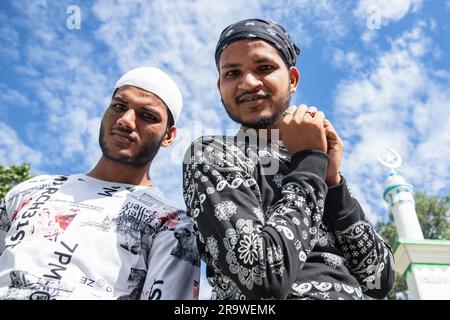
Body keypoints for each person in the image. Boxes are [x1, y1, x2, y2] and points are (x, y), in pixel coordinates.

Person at [182, 19, 394, 300]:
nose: (248, 83)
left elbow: (380, 279)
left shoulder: (314, 165)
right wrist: (310, 162)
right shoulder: (212, 154)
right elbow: (262, 278)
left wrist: (333, 183)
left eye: (264, 68)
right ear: (220, 86)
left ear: (292, 79)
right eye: (232, 73)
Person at [0, 67, 200, 300]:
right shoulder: (31, 191)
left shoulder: (172, 225)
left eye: (148, 116)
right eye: (119, 107)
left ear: (168, 136)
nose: (126, 121)